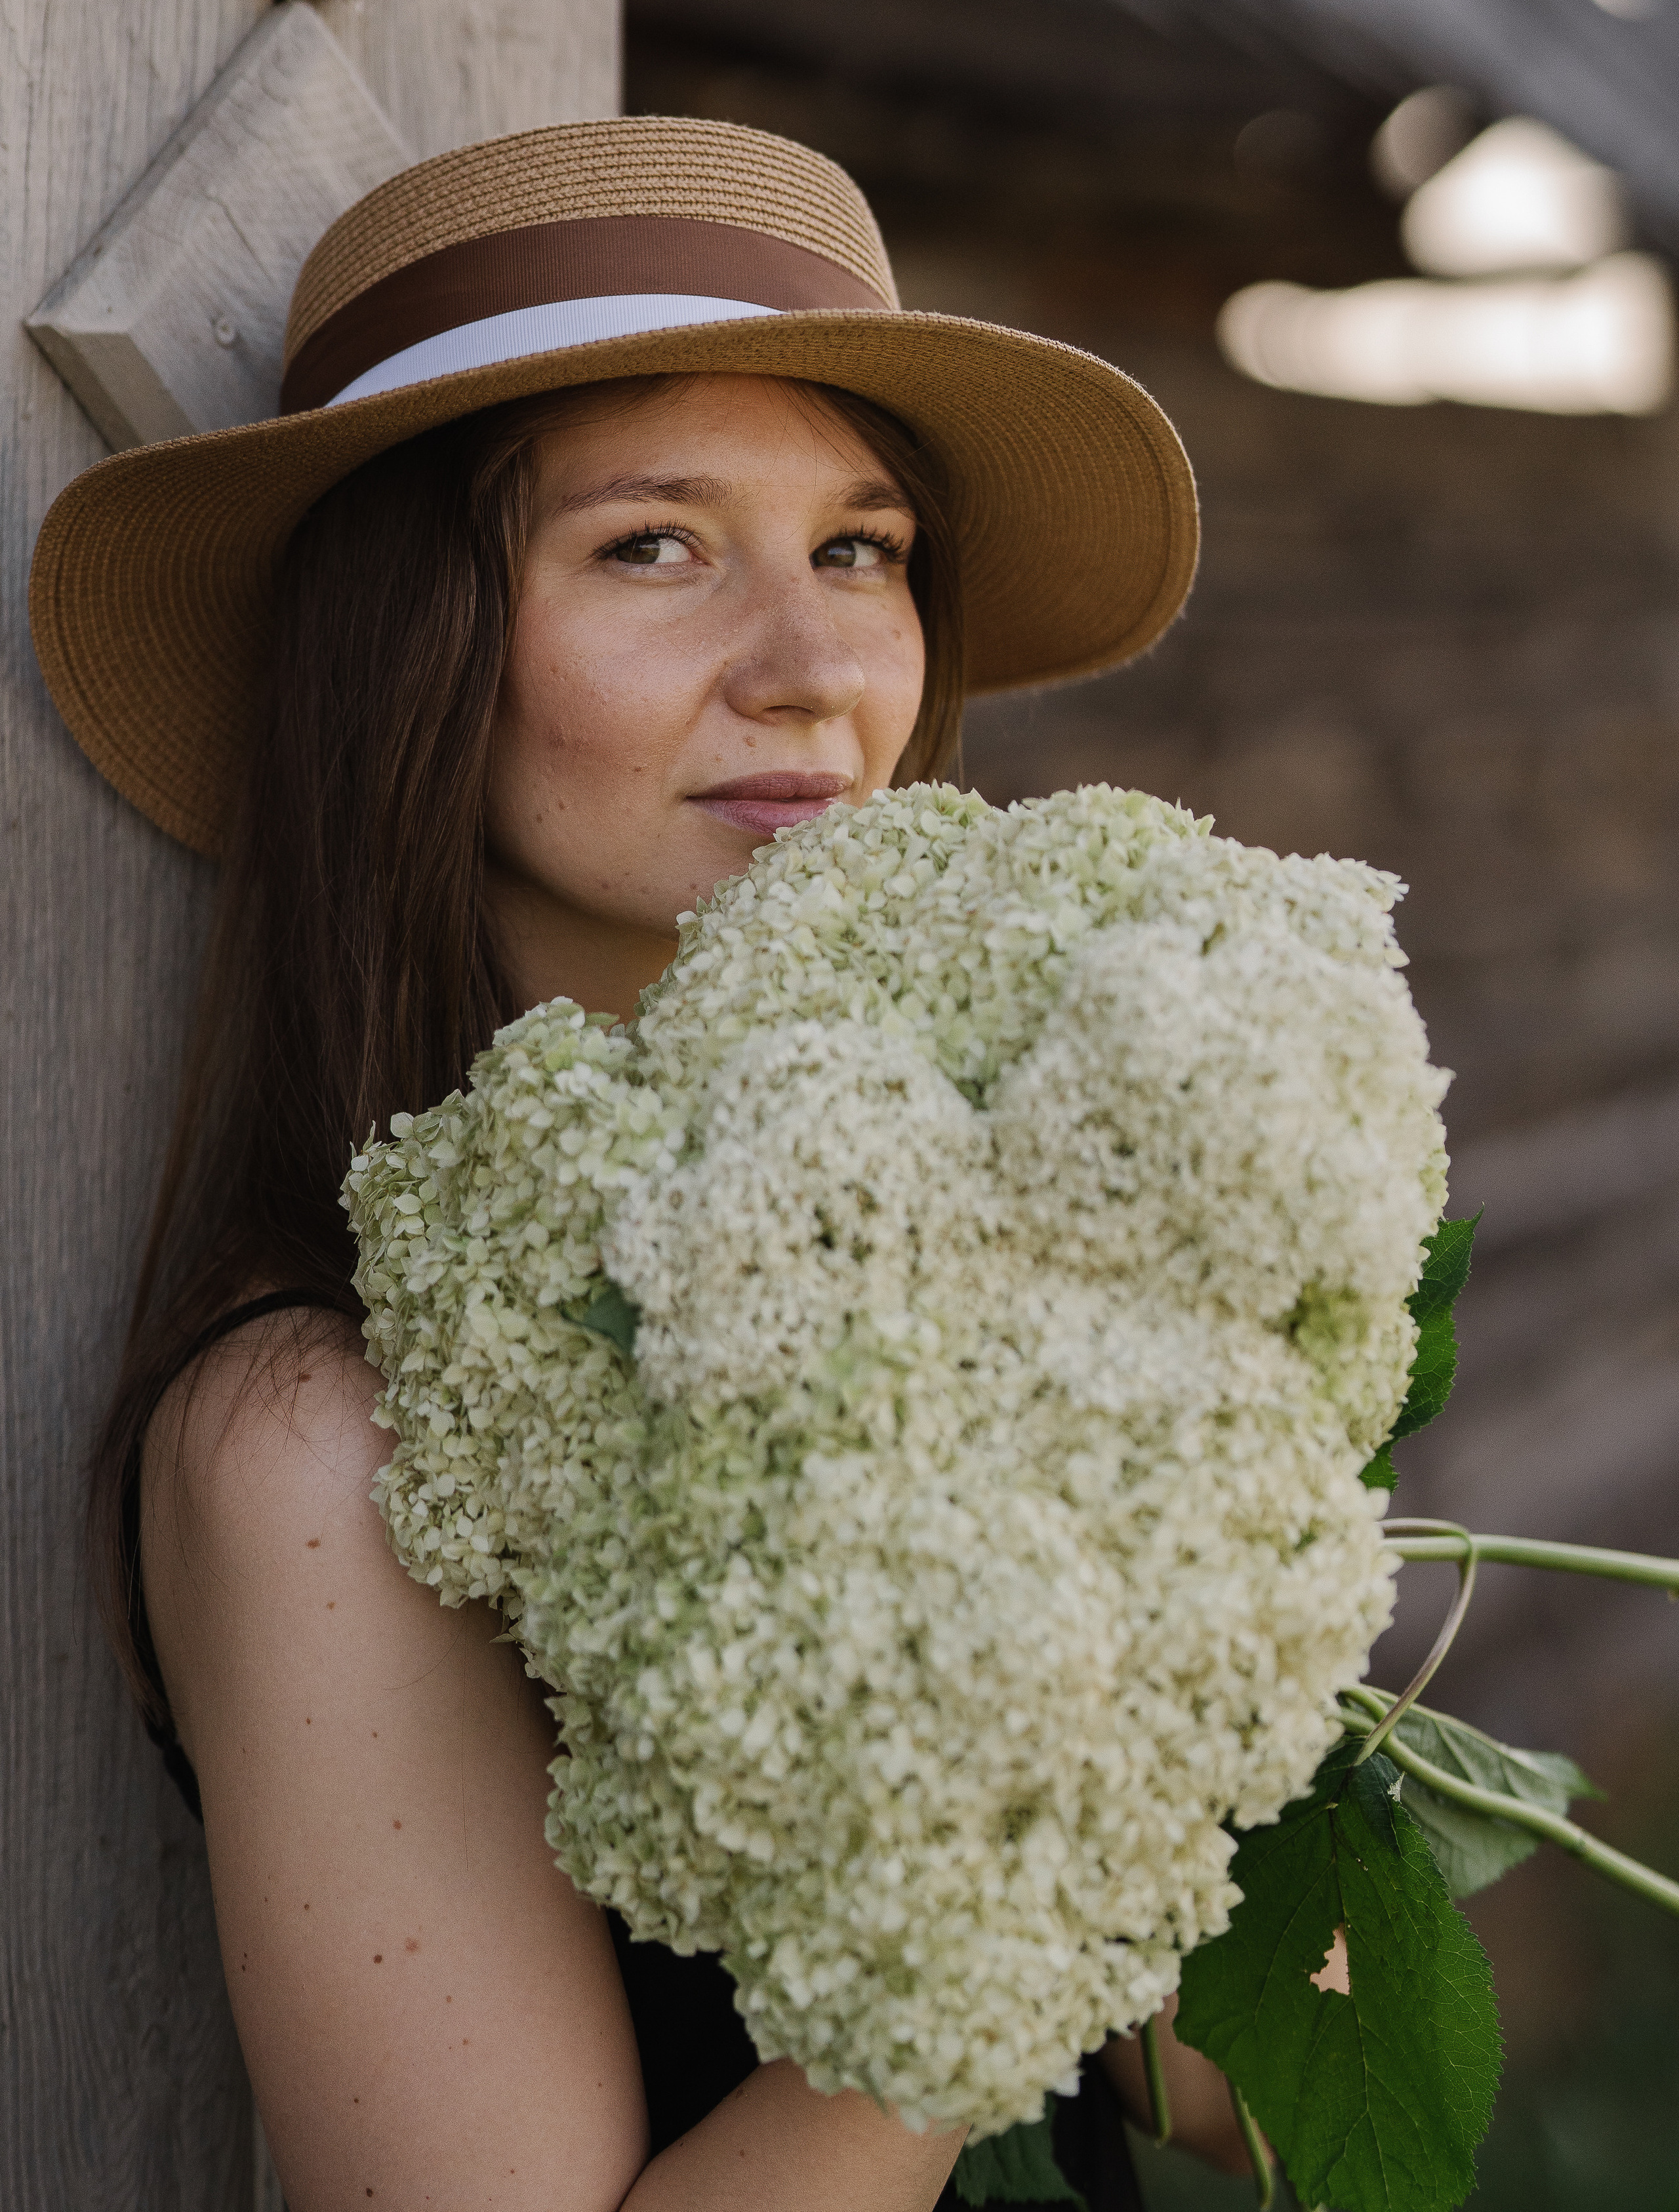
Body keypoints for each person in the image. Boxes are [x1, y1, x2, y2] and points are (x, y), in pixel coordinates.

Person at [32, 115, 1253, 2207]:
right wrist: (1012, 1870)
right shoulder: (324, 1442)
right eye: (655, 547)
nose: (814, 669)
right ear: (412, 650)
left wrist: (1208, 1618)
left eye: (861, 548)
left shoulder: (985, 1268)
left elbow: (1253, 2099)